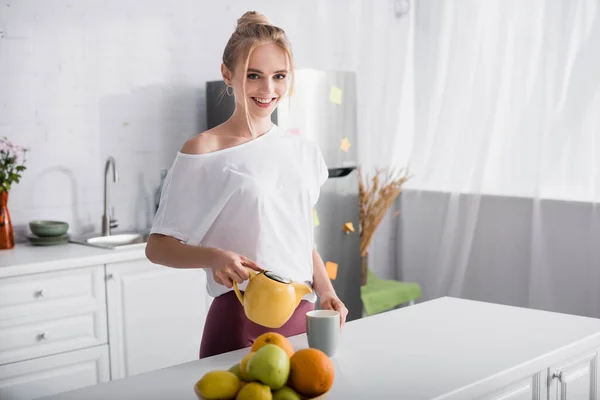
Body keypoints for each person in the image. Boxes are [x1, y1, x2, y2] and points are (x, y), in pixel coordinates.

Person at [145, 11, 348, 359]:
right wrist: (213, 257)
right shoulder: (203, 151)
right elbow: (158, 247)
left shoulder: (303, 151)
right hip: (240, 316)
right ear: (228, 74)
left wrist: (326, 288)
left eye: (279, 76)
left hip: (303, 313)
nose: (268, 90)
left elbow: (297, 235)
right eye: (254, 76)